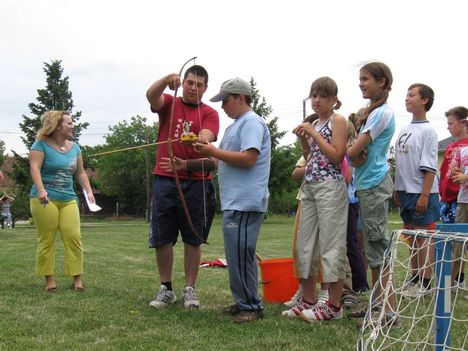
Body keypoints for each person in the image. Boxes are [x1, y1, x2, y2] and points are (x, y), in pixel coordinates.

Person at [193, 77, 271, 323]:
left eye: (225, 101)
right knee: (237, 255)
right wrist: (189, 161)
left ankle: (251, 306)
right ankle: (244, 302)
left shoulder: (251, 123)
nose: (222, 106)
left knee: (241, 253)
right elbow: (220, 161)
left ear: (240, 98)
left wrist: (213, 150)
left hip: (246, 201)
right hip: (234, 201)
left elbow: (249, 158)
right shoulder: (235, 126)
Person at [146, 65, 219, 309]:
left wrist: (203, 138)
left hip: (197, 183)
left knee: (193, 238)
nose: (193, 88)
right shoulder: (170, 102)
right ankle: (166, 288)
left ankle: (190, 288)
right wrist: (165, 80)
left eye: (199, 85)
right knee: (162, 237)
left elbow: (209, 132)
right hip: (164, 179)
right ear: (183, 83)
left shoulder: (209, 112)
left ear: (205, 88)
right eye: (189, 82)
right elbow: (151, 96)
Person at [283, 76, 348, 322]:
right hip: (310, 187)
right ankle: (308, 300)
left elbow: (337, 155)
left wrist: (312, 132)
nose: (317, 100)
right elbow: (311, 158)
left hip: (330, 187)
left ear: (333, 100)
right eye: (314, 95)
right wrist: (304, 138)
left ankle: (333, 305)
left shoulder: (337, 121)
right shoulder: (317, 124)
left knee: (331, 245)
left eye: (322, 96)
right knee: (304, 244)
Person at [346, 62, 397, 323]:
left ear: (382, 82)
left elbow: (353, 152)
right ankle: (378, 306)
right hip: (367, 185)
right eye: (360, 79)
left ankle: (388, 311)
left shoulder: (381, 114)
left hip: (375, 186)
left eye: (365, 79)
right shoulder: (372, 113)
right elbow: (354, 153)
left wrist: (352, 149)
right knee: (372, 248)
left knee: (378, 249)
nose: (361, 83)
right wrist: (354, 151)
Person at [29, 110, 95, 292]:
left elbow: (80, 172)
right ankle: (49, 279)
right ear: (58, 125)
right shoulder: (40, 145)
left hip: (68, 198)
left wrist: (88, 191)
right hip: (44, 198)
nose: (72, 126)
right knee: (47, 239)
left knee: (73, 236)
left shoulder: (74, 148)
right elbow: (34, 168)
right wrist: (42, 190)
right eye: (69, 123)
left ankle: (77, 278)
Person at [394, 83, 439, 297]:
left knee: (423, 236)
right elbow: (400, 164)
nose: (407, 98)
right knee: (411, 236)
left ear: (424, 100)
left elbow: (429, 166)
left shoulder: (428, 131)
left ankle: (425, 282)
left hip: (422, 192)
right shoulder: (404, 130)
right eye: (407, 94)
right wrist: (397, 189)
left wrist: (424, 194)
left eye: (412, 95)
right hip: (405, 192)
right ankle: (414, 278)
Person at [440, 106, 468, 288]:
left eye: (451, 123)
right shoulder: (453, 148)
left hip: (459, 199)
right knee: (454, 243)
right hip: (455, 200)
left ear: (463, 123)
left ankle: (458, 280)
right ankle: (455, 282)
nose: (448, 127)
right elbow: (448, 173)